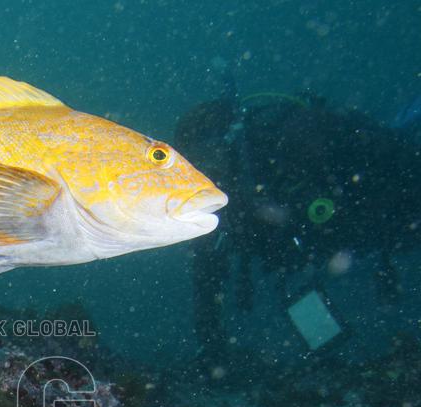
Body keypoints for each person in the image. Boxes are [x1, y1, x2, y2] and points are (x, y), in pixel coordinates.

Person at [175, 86, 420, 360]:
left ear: (226, 140)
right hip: (354, 234)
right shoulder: (211, 207)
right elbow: (207, 274)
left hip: (388, 208)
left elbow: (377, 161)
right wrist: (211, 346)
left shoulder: (293, 140)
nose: (204, 172)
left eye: (204, 157)